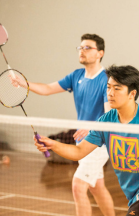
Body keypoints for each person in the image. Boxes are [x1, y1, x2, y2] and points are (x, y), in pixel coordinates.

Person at [35, 65, 139, 216]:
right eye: (108, 87)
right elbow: (79, 152)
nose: (110, 93)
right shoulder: (106, 121)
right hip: (134, 195)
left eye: (117, 88)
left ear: (132, 94)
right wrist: (53, 144)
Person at [11, 34, 115, 216]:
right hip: (82, 140)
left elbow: (109, 115)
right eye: (80, 47)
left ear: (100, 53)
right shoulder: (76, 76)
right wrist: (23, 83)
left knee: (78, 186)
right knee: (96, 187)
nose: (82, 51)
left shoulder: (107, 80)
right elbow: (47, 89)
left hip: (99, 140)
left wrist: (92, 127)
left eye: (87, 47)